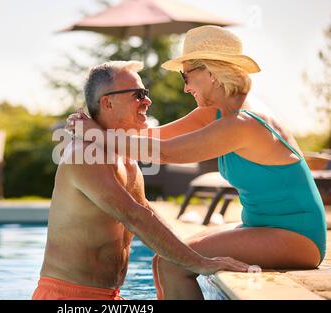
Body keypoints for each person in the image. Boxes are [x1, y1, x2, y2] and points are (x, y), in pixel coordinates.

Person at [67, 26, 327, 299]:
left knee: (174, 262)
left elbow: (164, 152)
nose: (186, 87)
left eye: (187, 75)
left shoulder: (242, 122)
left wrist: (95, 135)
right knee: (165, 255)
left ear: (211, 73)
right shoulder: (217, 112)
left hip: (297, 236)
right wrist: (97, 125)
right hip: (263, 226)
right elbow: (151, 135)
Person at [32, 60, 249, 300]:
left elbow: (146, 211)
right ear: (108, 102)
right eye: (138, 95)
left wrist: (187, 253)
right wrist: (198, 262)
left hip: (110, 296)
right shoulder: (84, 155)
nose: (148, 101)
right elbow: (133, 217)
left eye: (145, 93)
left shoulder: (124, 155)